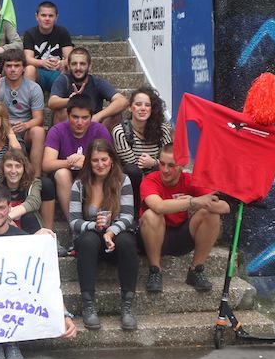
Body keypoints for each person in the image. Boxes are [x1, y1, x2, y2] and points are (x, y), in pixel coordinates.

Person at [0, 183, 77, 359]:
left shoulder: (22, 239)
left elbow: (43, 282)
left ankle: (11, 340)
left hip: (12, 303)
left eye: (1, 208)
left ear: (9, 208)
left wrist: (63, 315)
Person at [139, 143, 230, 293]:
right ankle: (155, 271)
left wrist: (201, 203)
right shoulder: (150, 180)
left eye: (171, 165)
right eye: (162, 164)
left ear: (182, 166)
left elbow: (225, 207)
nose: (165, 170)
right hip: (154, 237)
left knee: (210, 213)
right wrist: (193, 202)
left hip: (182, 236)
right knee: (151, 214)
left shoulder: (190, 180)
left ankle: (196, 270)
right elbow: (158, 206)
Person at [69, 139, 138, 331]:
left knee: (127, 241)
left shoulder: (123, 180)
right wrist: (95, 225)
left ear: (112, 160)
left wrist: (110, 231)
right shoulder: (79, 185)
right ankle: (88, 304)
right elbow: (73, 221)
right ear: (89, 162)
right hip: (91, 238)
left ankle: (127, 305)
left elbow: (128, 215)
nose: (100, 164)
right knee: (88, 241)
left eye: (104, 159)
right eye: (95, 160)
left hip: (115, 236)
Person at [0, 48, 46, 175]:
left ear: (23, 68)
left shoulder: (33, 88)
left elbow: (39, 118)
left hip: (23, 129)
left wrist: (26, 125)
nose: (13, 69)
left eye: (17, 65)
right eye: (9, 66)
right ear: (3, 68)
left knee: (39, 131)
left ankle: (36, 178)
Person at [43, 94, 113, 221]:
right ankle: (74, 222)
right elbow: (47, 164)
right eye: (75, 117)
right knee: (62, 174)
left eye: (85, 118)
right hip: (64, 181)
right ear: (68, 115)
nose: (80, 122)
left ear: (91, 117)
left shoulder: (100, 130)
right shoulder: (57, 130)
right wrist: (72, 162)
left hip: (91, 177)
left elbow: (111, 162)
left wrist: (86, 163)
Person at [112, 86, 172, 214]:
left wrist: (154, 163)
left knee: (160, 168)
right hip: (132, 181)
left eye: (147, 105)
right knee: (132, 171)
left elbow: (170, 158)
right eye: (138, 104)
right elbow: (134, 165)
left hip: (156, 176)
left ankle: (162, 208)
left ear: (152, 108)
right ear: (130, 107)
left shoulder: (162, 130)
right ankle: (134, 213)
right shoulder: (120, 131)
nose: (143, 108)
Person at [47, 47, 128, 127]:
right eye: (74, 64)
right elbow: (52, 102)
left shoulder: (97, 82)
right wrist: (72, 100)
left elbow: (122, 101)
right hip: (70, 127)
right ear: (68, 66)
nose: (78, 68)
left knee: (115, 114)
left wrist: (97, 117)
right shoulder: (63, 80)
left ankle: (103, 136)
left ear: (89, 66)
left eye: (82, 64)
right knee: (61, 110)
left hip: (93, 126)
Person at [0, 149, 56, 234]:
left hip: (29, 228)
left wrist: (7, 217)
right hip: (4, 230)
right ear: (2, 168)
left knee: (28, 216)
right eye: (9, 166)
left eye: (18, 166)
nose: (13, 171)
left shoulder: (33, 183)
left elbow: (33, 202)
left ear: (24, 168)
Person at [23, 1, 73, 91]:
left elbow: (71, 58)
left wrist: (61, 63)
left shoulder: (62, 32)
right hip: (38, 72)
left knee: (69, 68)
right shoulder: (30, 33)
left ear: (56, 17)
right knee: (29, 69)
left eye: (50, 16)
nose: (47, 19)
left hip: (57, 72)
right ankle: (29, 98)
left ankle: (62, 98)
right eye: (43, 15)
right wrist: (42, 63)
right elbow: (27, 59)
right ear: (37, 17)